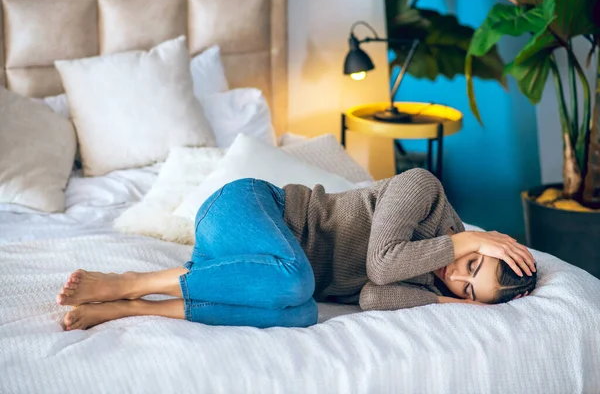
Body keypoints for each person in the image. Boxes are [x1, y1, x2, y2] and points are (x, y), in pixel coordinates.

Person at [57, 168, 537, 330]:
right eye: (472, 263)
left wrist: (444, 301)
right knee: (296, 281)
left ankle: (133, 309)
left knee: (302, 313)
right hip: (244, 209)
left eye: (469, 291)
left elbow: (372, 296)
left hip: (251, 268)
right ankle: (132, 281)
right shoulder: (421, 188)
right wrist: (461, 237)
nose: (457, 275)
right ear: (487, 239)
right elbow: (381, 263)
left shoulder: (429, 277)